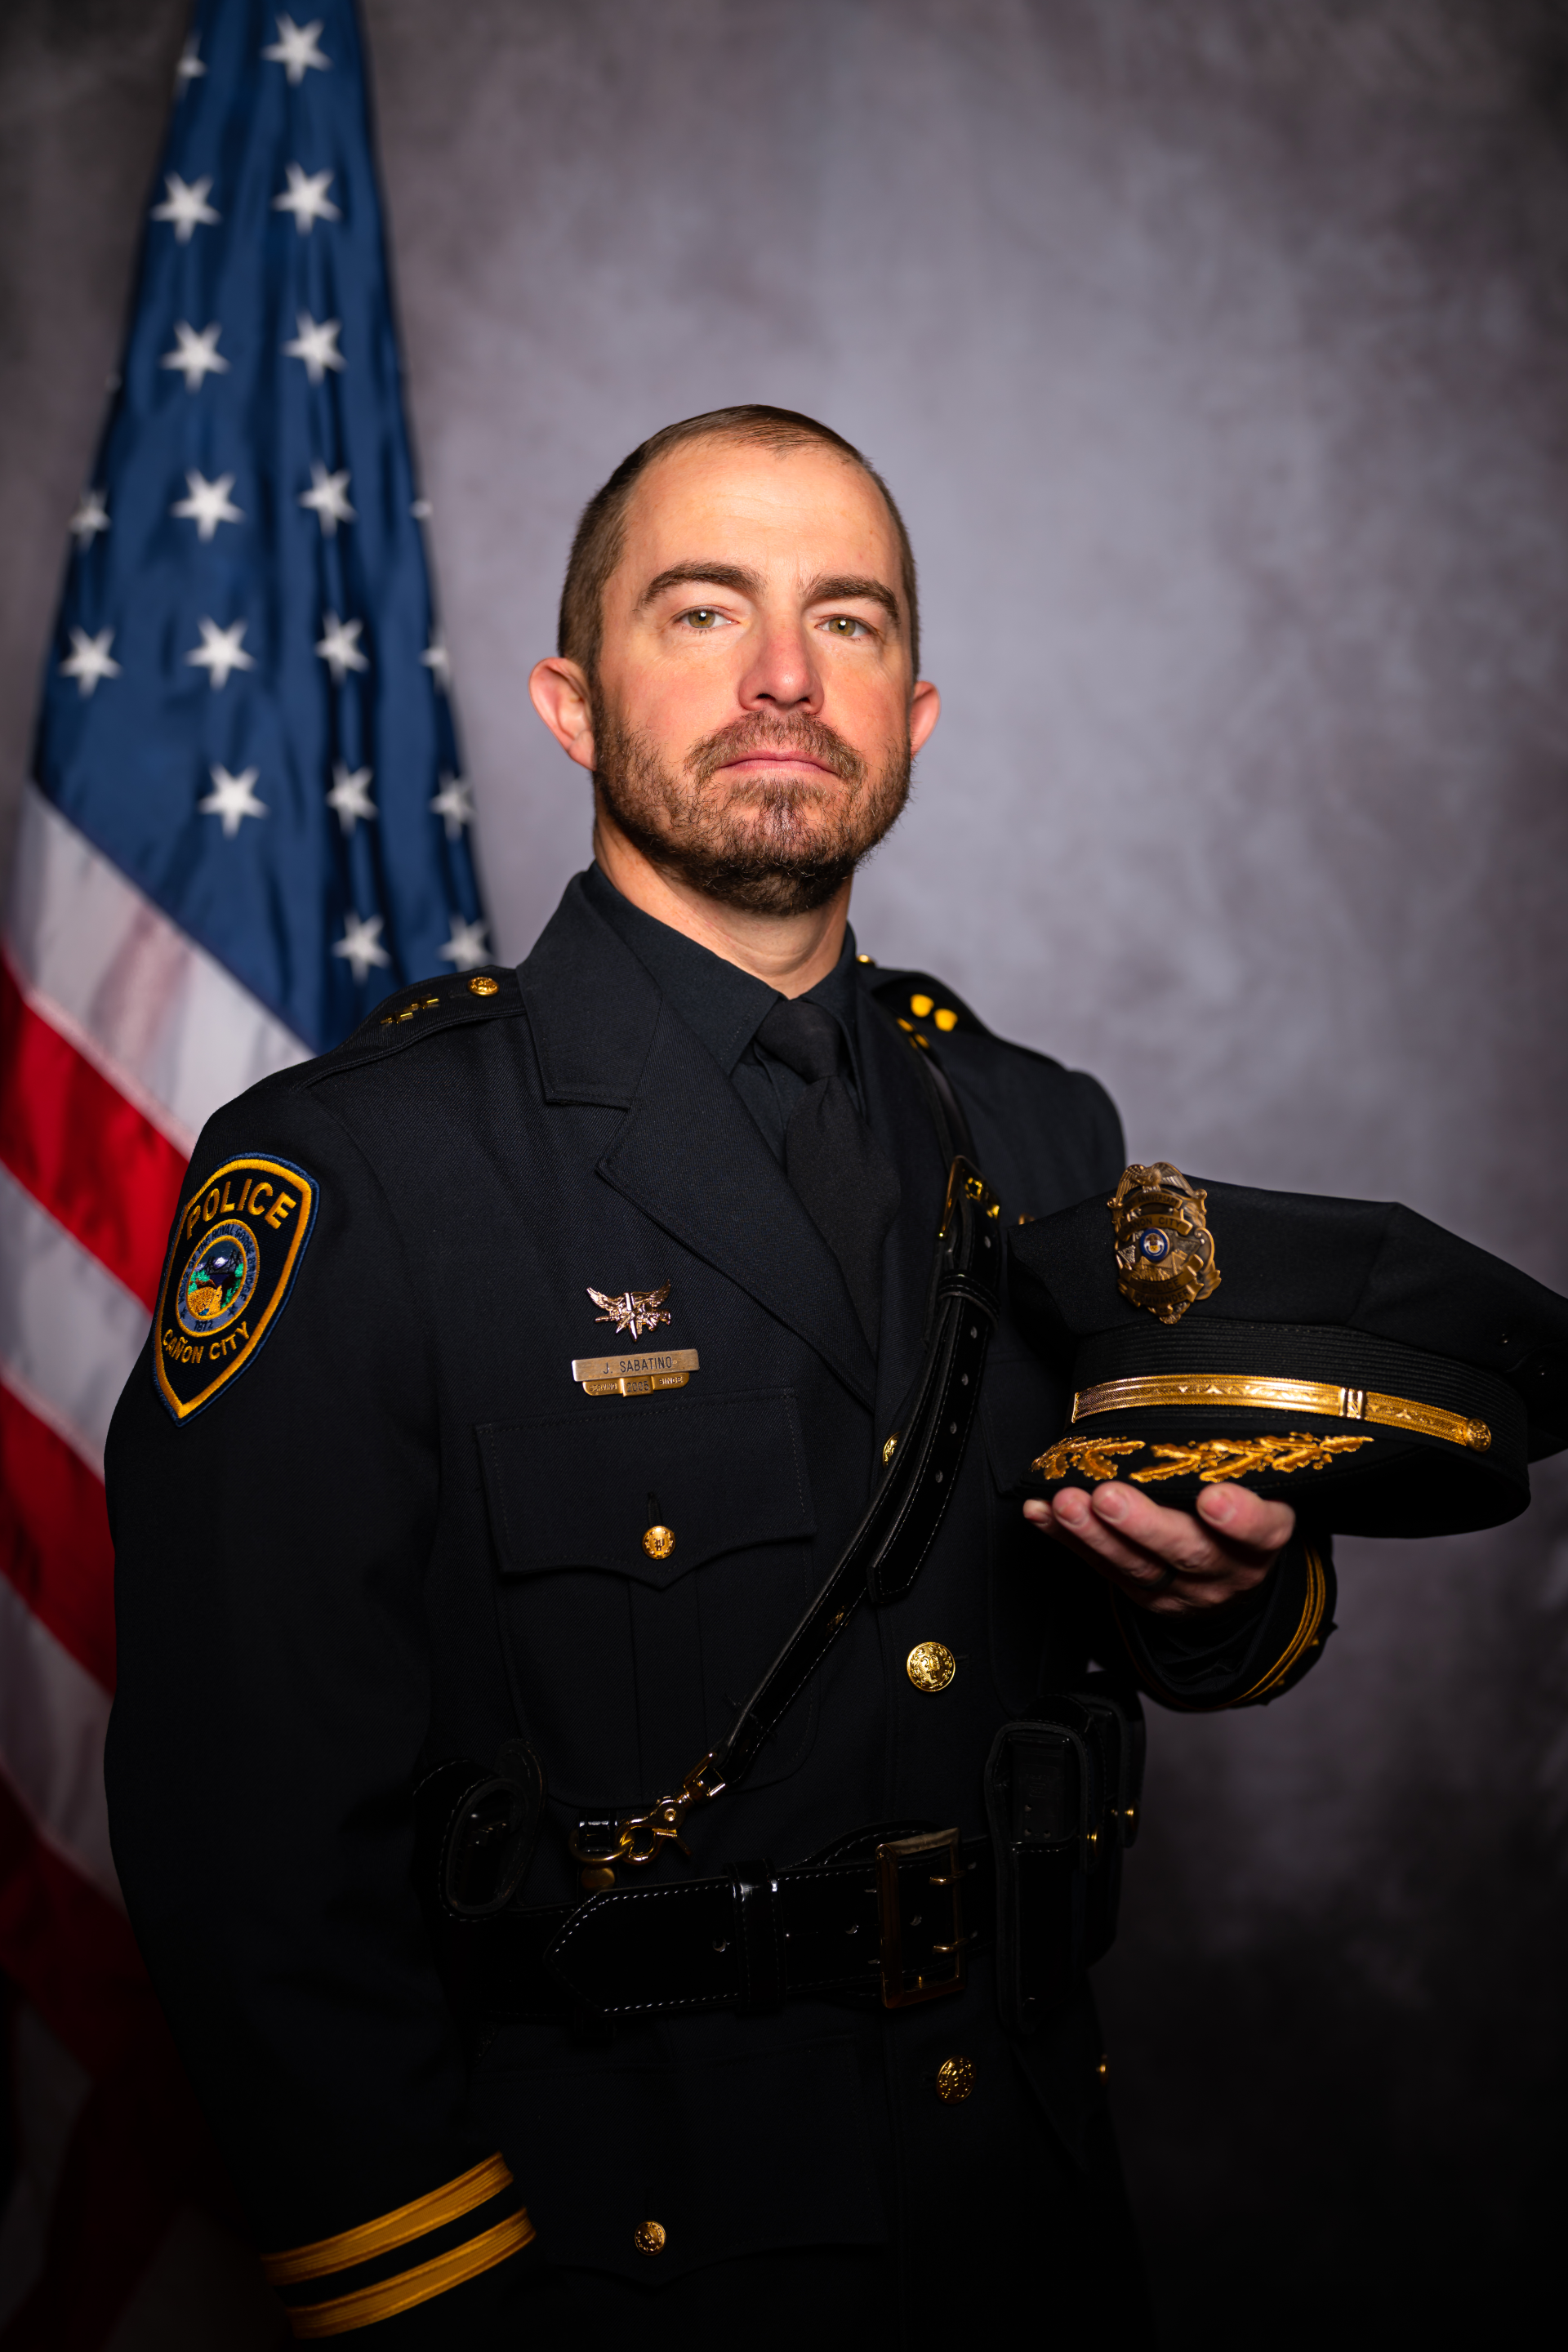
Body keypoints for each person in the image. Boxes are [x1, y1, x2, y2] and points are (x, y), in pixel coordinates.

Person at [105, 407, 1331, 2346]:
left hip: (1019, 2221)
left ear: (914, 713)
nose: (783, 675)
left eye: (846, 621)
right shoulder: (360, 1175)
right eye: (704, 609)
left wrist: (1230, 1593)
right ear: (571, 700)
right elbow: (247, 1854)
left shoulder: (1041, 1134)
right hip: (614, 2255)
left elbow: (1113, 1622)